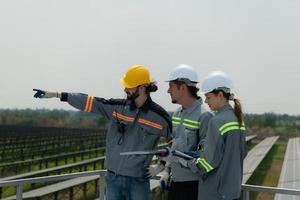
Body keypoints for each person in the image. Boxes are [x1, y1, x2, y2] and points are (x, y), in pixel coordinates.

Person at [33, 65, 172, 200]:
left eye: (129, 86)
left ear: (142, 88)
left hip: (138, 182)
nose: (125, 89)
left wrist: (162, 167)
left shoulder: (160, 117)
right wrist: (58, 95)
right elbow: (90, 102)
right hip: (113, 179)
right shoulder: (117, 107)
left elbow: (175, 144)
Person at [182, 71, 247, 200]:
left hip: (215, 192)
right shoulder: (238, 119)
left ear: (220, 95)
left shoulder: (217, 121)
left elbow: (208, 163)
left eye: (209, 97)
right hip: (232, 191)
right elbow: (242, 153)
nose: (206, 101)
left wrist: (187, 162)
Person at [163, 64, 213, 200]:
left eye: (171, 86)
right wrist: (166, 170)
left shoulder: (205, 116)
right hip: (176, 184)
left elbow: (206, 159)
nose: (168, 91)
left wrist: (183, 160)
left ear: (183, 88)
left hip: (194, 187)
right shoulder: (177, 114)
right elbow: (174, 148)